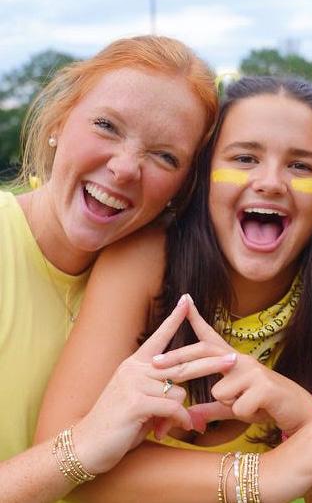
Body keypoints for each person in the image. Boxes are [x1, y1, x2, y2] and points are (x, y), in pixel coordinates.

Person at [37, 76, 312, 502]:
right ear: (204, 177)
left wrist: (304, 415)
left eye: (301, 166)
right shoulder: (145, 261)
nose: (271, 182)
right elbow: (57, 455)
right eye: (245, 158)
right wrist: (261, 474)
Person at [0, 35, 220, 500]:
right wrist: (81, 447)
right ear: (59, 120)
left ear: (184, 187)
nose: (124, 168)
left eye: (165, 156)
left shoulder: (173, 293)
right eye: (106, 126)